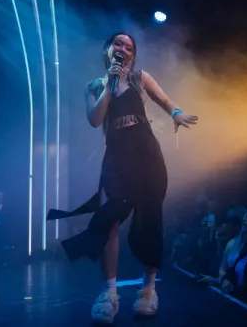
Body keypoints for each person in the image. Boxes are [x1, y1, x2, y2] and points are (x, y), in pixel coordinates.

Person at [47, 32, 198, 324]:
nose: (124, 49)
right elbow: (95, 120)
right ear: (108, 49)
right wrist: (110, 82)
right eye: (119, 44)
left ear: (133, 55)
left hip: (147, 152)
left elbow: (164, 100)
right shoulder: (94, 85)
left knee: (150, 219)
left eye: (129, 47)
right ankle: (110, 294)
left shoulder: (141, 78)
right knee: (108, 220)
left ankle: (149, 290)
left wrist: (176, 113)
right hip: (117, 157)